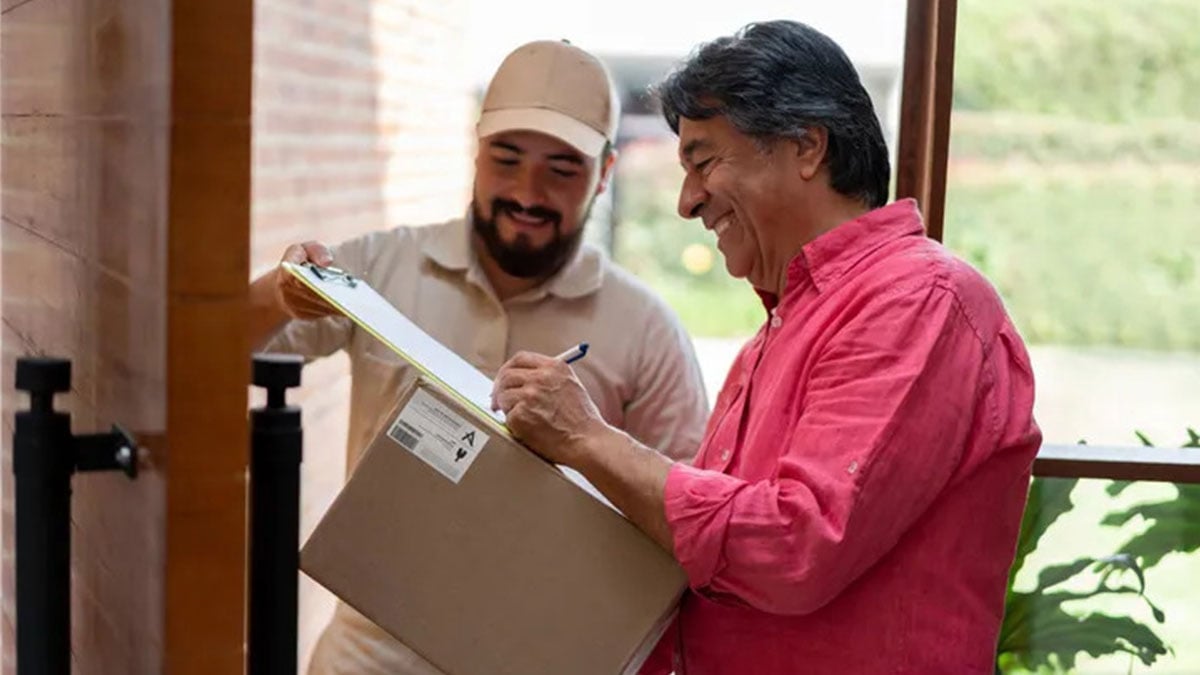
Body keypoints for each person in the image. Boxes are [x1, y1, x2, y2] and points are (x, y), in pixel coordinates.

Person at [492, 20, 1042, 674]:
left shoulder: (916, 299)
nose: (687, 201)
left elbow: (795, 544)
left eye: (703, 161)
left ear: (807, 147)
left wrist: (585, 436)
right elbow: (709, 558)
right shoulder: (783, 327)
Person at [249, 39, 710, 675]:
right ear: (475, 149)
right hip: (368, 660)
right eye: (507, 157)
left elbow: (689, 520)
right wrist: (279, 291)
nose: (527, 192)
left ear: (605, 173)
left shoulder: (646, 329)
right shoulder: (382, 267)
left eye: (563, 168)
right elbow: (215, 349)